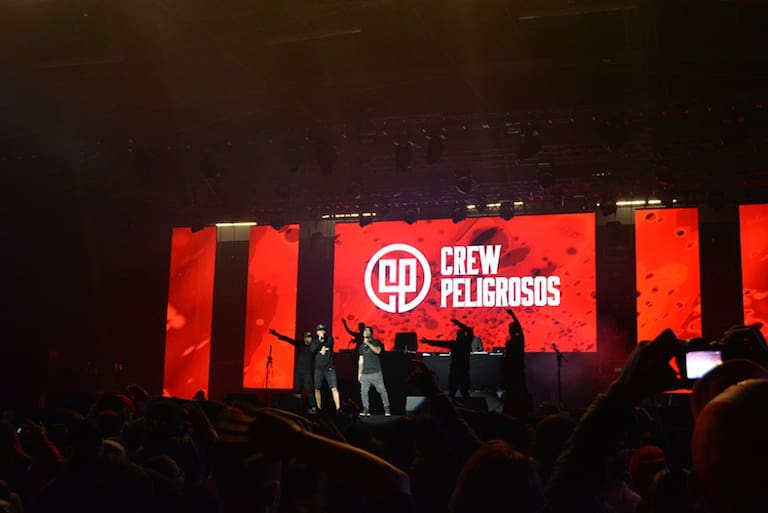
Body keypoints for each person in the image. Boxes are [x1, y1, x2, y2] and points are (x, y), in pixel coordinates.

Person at [420, 318, 473, 399]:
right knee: (463, 391)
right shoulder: (467, 343)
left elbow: (440, 343)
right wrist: (459, 324)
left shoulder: (455, 344)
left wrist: (428, 342)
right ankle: (466, 404)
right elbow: (469, 330)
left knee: (454, 391)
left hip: (456, 368)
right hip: (463, 368)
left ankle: (451, 403)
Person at [269, 328, 318, 414]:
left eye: (310, 337)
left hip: (307, 372)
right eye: (308, 337)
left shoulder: (313, 347)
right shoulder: (300, 344)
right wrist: (276, 334)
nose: (310, 338)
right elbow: (288, 339)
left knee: (309, 390)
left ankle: (313, 408)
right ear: (304, 338)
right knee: (297, 392)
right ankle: (296, 409)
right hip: (299, 371)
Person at [501, 308, 533, 418]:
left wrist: (513, 315)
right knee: (510, 391)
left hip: (518, 369)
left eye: (511, 329)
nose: (510, 331)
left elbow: (520, 328)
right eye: (509, 329)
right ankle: (508, 411)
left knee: (521, 390)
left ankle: (526, 411)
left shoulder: (519, 340)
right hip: (509, 370)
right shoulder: (509, 342)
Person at [357, 326, 392, 417]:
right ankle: (366, 409)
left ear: (371, 333)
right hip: (365, 373)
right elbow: (361, 360)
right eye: (364, 330)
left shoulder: (376, 342)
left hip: (375, 371)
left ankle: (387, 408)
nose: (365, 332)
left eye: (367, 331)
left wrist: (368, 343)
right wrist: (359, 373)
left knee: (381, 390)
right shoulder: (361, 346)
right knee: (363, 392)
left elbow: (378, 351)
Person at [310, 324, 341, 413]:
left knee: (334, 388)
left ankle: (338, 408)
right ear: (317, 332)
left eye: (323, 330)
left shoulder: (329, 339)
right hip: (318, 370)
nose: (321, 332)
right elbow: (312, 349)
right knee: (317, 389)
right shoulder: (314, 342)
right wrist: (320, 342)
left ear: (325, 331)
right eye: (319, 330)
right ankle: (319, 408)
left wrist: (322, 344)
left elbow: (329, 344)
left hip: (329, 369)